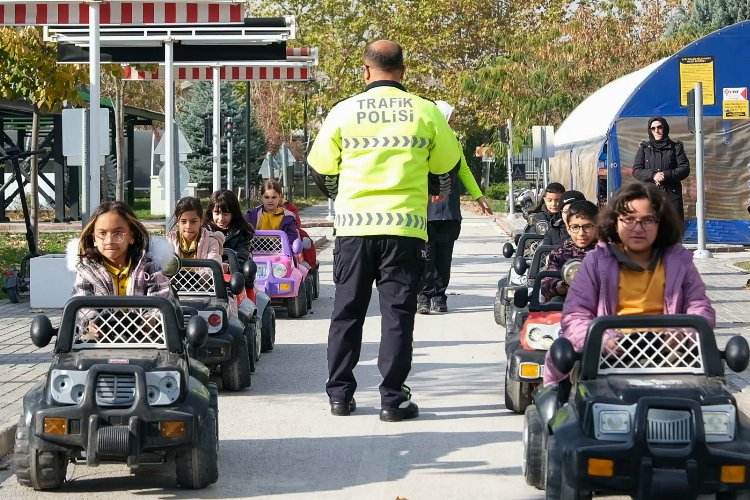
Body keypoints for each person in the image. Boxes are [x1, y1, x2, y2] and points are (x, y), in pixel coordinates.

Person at [307, 39, 460, 422]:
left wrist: (340, 192)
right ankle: (393, 399)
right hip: (404, 230)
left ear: (365, 71)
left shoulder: (343, 111)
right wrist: (434, 192)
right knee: (397, 315)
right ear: (403, 71)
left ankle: (340, 396)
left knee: (347, 312)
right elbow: (447, 169)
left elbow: (320, 169)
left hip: (354, 228)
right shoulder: (426, 112)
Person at [543, 182, 715, 387]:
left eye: (647, 220)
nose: (637, 229)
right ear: (615, 222)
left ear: (661, 223)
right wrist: (603, 339)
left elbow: (700, 307)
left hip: (670, 355)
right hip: (608, 356)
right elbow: (575, 315)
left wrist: (682, 334)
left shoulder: (679, 260)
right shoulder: (596, 261)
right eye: (629, 220)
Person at [417, 100, 493, 315]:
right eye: (452, 117)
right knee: (425, 256)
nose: (455, 121)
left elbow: (464, 170)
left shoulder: (454, 142)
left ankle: (439, 295)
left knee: (444, 255)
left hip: (448, 210)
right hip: (423, 209)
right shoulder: (419, 141)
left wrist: (479, 197)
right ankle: (424, 295)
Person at [68, 201, 175, 341]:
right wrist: (91, 322)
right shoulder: (87, 269)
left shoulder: (150, 266)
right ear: (93, 238)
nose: (109, 240)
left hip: (146, 340)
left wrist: (151, 319)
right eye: (102, 233)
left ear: (131, 236)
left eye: (118, 233)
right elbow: (82, 301)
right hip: (101, 341)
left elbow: (162, 296)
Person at [632, 116, 690, 222]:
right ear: (650, 131)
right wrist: (653, 175)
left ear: (665, 128)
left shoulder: (676, 147)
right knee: (650, 227)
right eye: (653, 128)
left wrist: (666, 175)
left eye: (659, 127)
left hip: (671, 196)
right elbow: (636, 170)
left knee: (672, 230)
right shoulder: (644, 149)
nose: (657, 131)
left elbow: (684, 168)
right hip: (649, 195)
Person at [540, 200, 598, 302]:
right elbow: (546, 284)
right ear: (568, 228)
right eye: (575, 227)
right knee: (556, 301)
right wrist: (557, 286)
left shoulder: (608, 253)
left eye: (587, 227)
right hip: (567, 306)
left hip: (603, 307)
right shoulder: (559, 255)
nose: (581, 233)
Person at [166, 196, 224, 265]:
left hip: (202, 276)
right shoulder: (170, 240)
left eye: (193, 222)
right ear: (177, 222)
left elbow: (213, 267)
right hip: (175, 276)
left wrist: (196, 275)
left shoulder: (211, 241)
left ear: (201, 221)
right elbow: (163, 268)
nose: (188, 226)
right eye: (183, 221)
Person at [206, 189, 254, 268]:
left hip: (233, 274)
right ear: (211, 212)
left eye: (225, 214)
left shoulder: (242, 233)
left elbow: (241, 256)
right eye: (217, 213)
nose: (221, 218)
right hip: (207, 274)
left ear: (233, 213)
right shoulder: (205, 231)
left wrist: (228, 265)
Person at [245, 180, 299, 245]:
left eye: (274, 197)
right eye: (266, 197)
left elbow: (292, 237)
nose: (270, 201)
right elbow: (244, 235)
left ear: (279, 197)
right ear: (262, 197)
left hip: (280, 251)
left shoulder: (288, 217)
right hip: (256, 251)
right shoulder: (252, 215)